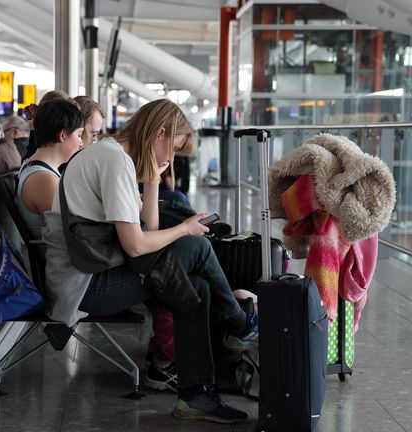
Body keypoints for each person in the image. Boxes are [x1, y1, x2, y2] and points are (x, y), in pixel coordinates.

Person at [41, 99, 258, 425]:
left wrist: (153, 179)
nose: (171, 159)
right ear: (159, 132)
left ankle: (196, 395)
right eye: (173, 149)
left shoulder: (113, 155)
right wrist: (185, 227)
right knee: (197, 247)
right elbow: (137, 243)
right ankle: (238, 324)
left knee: (195, 285)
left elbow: (149, 229)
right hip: (86, 286)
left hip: (97, 271)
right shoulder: (114, 161)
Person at [15, 99, 83, 239]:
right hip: (61, 259)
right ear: (62, 135)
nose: (81, 143)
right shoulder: (42, 179)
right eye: (79, 135)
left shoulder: (38, 167)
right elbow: (71, 233)